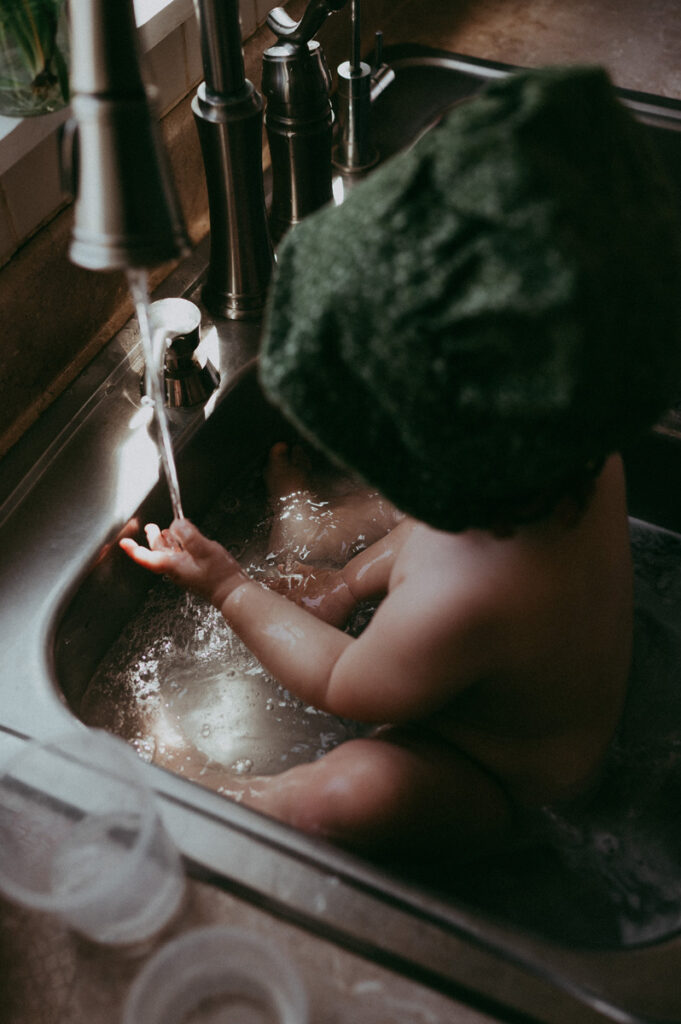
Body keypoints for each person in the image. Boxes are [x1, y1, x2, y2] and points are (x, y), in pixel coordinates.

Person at [121, 65, 681, 862]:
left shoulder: (466, 596)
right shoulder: (570, 455)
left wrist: (228, 585)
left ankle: (237, 797)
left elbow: (342, 683)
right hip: (518, 690)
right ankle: (335, 567)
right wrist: (347, 584)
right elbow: (440, 532)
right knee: (425, 532)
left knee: (350, 793)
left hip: (497, 781)